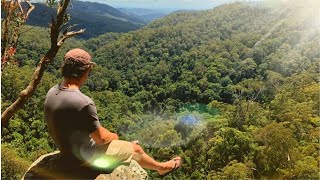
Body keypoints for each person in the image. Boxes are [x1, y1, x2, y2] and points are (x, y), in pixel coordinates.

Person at [44, 48, 181, 176]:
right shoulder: (83, 102)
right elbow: (102, 138)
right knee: (136, 150)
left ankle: (127, 148)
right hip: (83, 158)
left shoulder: (52, 91)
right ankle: (162, 168)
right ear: (86, 72)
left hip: (67, 151)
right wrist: (114, 137)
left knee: (125, 145)